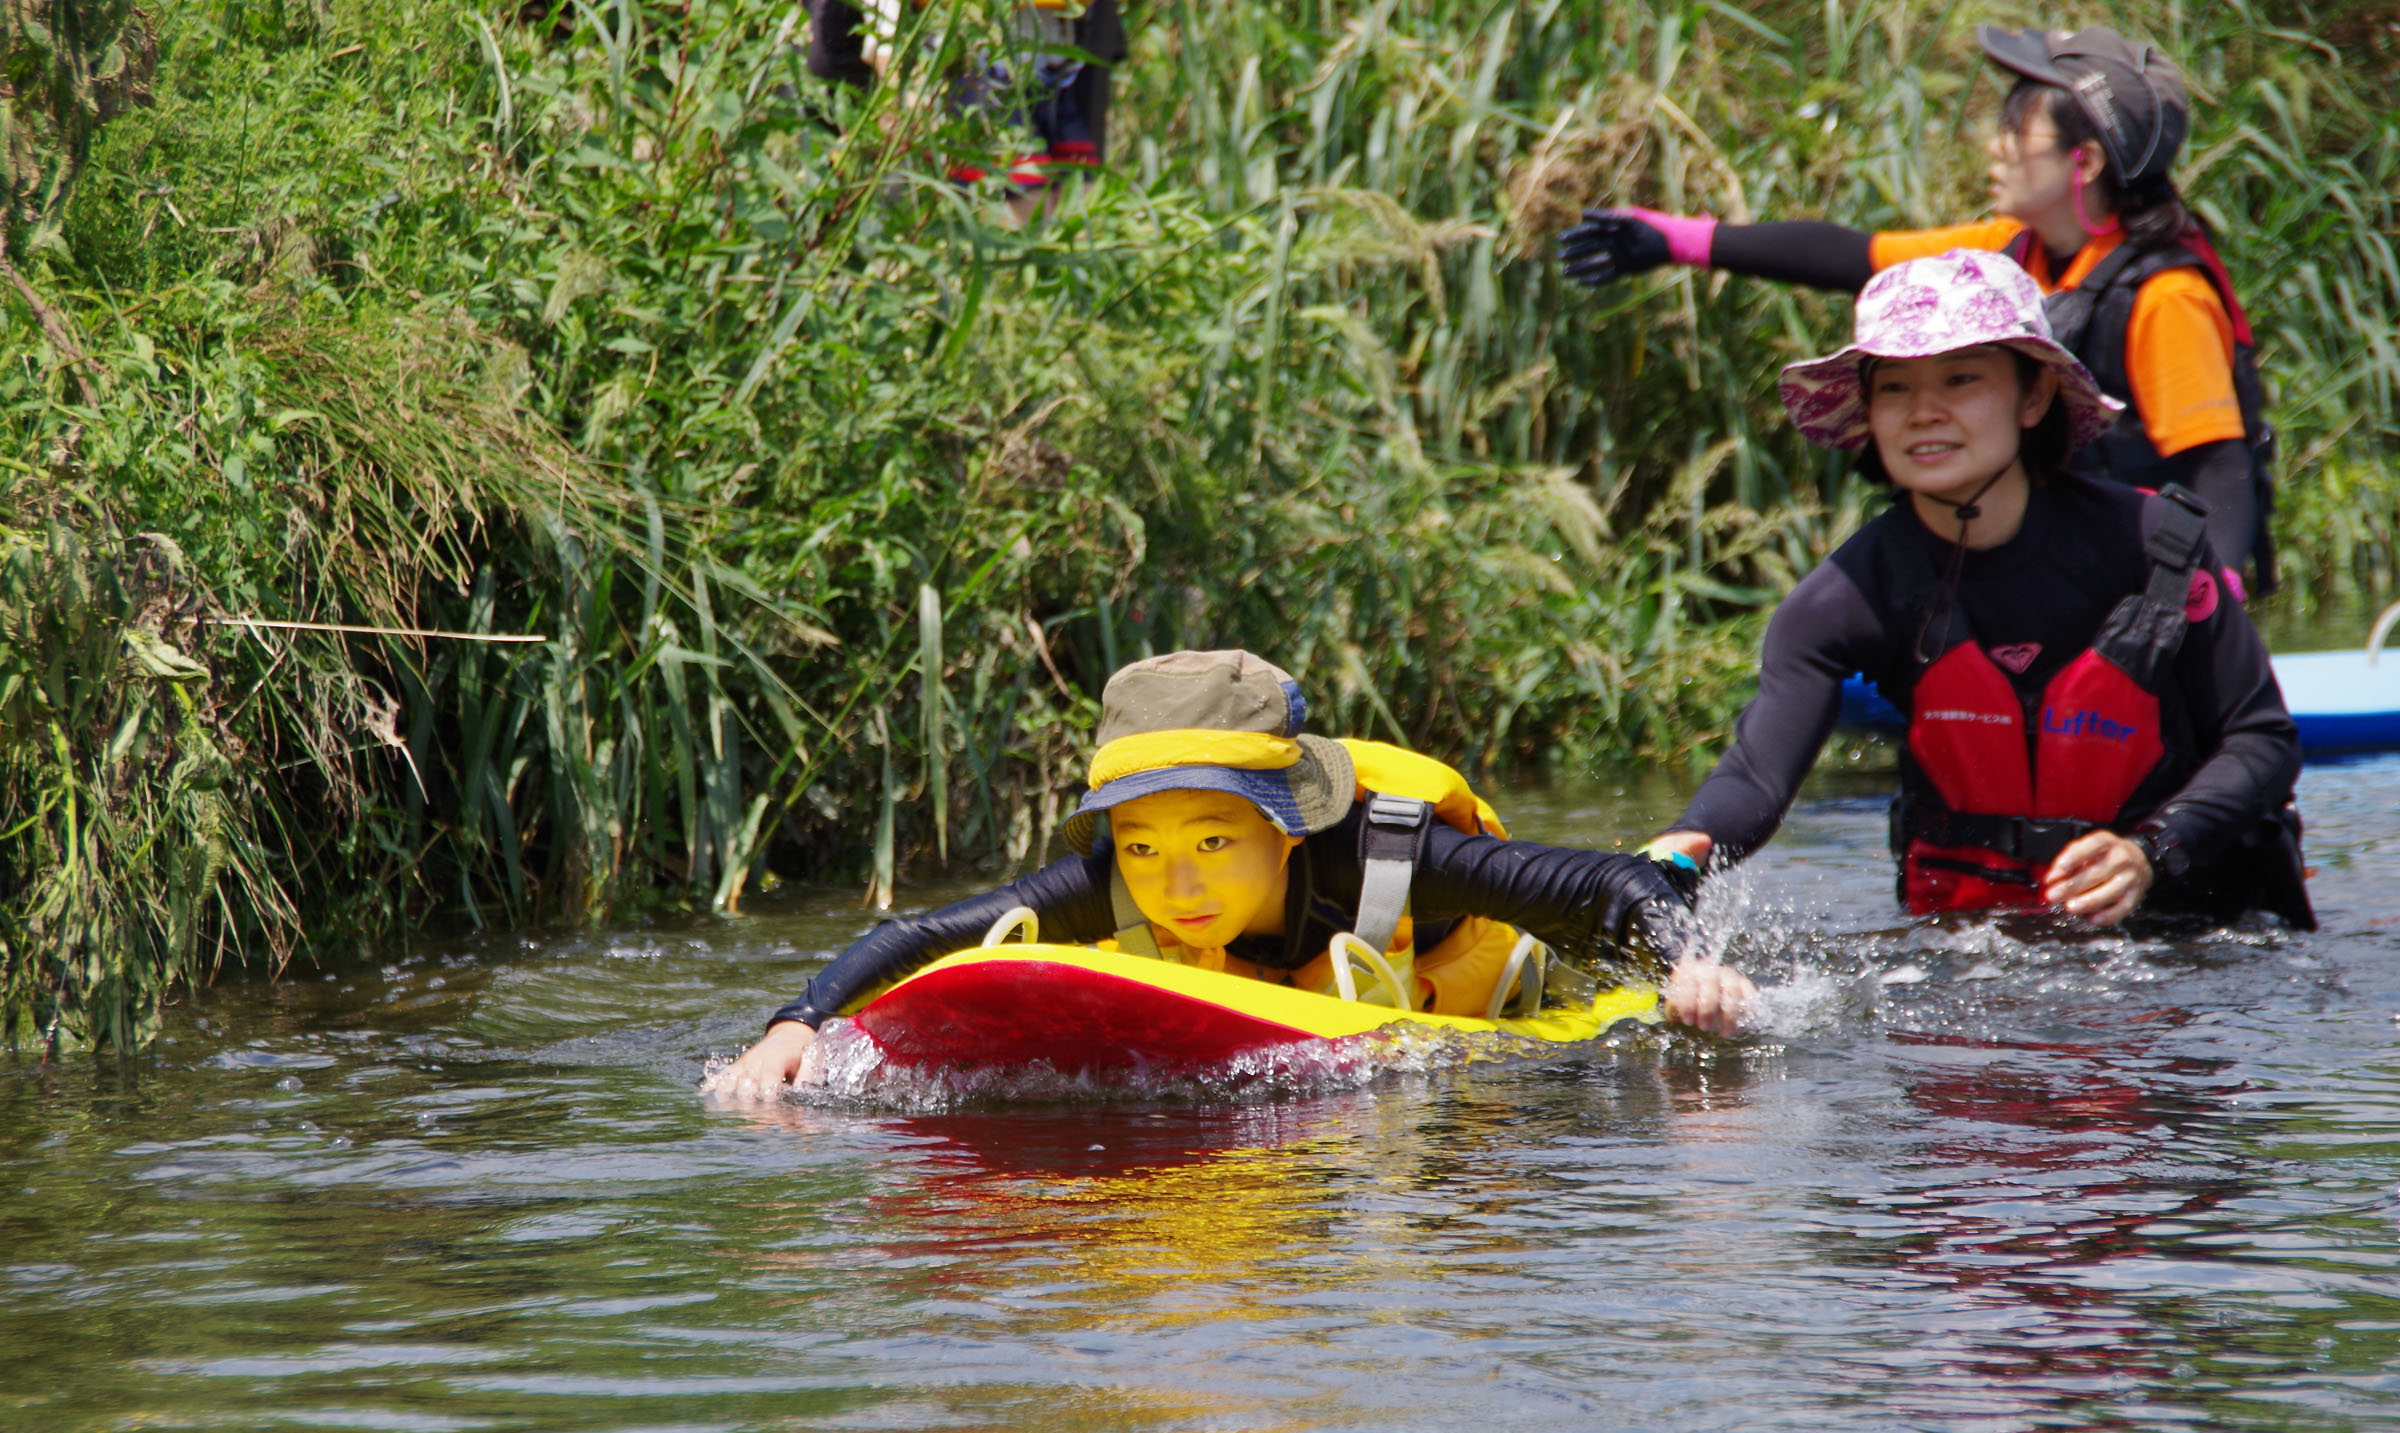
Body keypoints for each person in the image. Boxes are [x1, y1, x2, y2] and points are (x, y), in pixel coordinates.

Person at [708, 650, 1759, 1099]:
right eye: (1144, 844)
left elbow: (1604, 887)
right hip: (1304, 1000)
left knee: (1658, 889)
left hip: (1488, 989)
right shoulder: (1114, 882)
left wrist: (1684, 969)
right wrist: (797, 1024)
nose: (1175, 885)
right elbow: (929, 936)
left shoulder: (1393, 856)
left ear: (1287, 828)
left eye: (1212, 841)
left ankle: (1695, 844)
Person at [1640, 249, 2312, 930]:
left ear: (2034, 396)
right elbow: (1755, 778)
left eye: (1961, 379)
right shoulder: (1843, 597)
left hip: (2191, 930)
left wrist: (2150, 850)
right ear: (1868, 411)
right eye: (1894, 387)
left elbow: (2262, 741)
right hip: (1980, 950)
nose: (1923, 412)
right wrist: (1679, 849)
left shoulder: (2154, 545)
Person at [1559, 24, 2277, 591]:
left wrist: (2205, 617)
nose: (1994, 151)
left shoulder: (2166, 296)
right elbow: (1849, 256)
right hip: (2063, 570)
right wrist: (1672, 239)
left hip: (2148, 584)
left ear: (2082, 163)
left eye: (2015, 134)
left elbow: (2219, 470)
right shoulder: (2013, 251)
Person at [804, 0, 1124, 196]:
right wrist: (899, 85)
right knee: (1022, 207)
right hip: (975, 71)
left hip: (1049, 71)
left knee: (1079, 201)